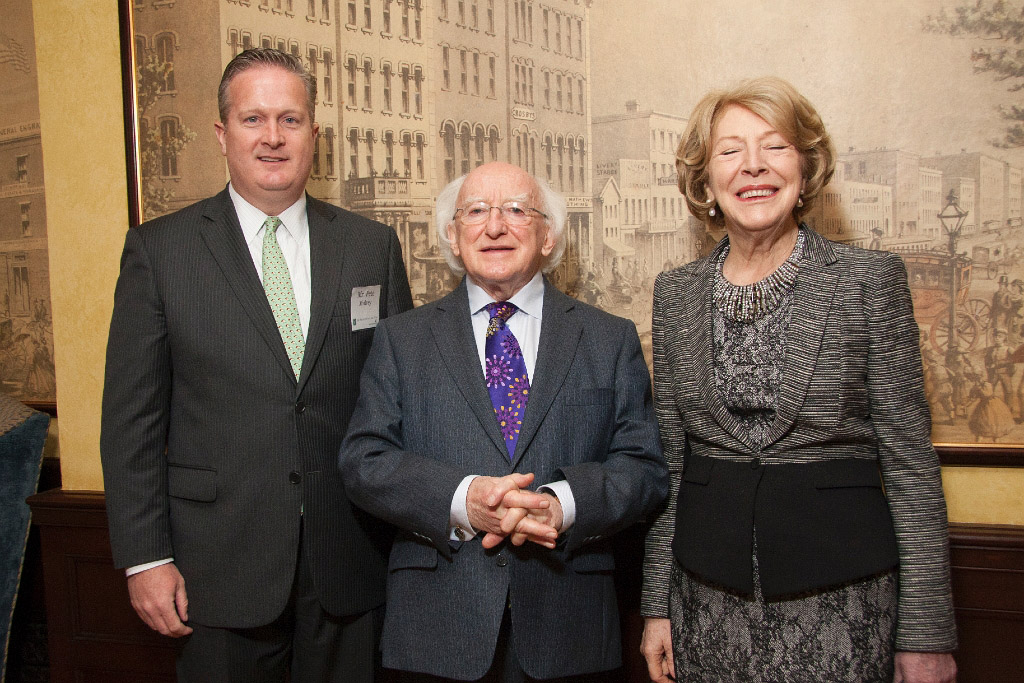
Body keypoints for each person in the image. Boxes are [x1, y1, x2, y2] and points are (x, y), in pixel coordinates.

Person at [100, 48, 412, 682]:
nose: (273, 137)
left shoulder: (370, 248)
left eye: (290, 120)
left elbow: (402, 399)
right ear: (222, 134)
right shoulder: (160, 252)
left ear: (313, 134)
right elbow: (132, 422)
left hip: (349, 562)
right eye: (253, 119)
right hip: (216, 568)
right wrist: (144, 558)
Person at [640, 77, 957, 683]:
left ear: (805, 168)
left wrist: (925, 633)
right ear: (705, 180)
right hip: (706, 606)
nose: (753, 166)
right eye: (729, 151)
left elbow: (911, 467)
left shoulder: (868, 280)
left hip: (844, 605)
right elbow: (671, 466)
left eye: (775, 146)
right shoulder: (675, 293)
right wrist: (657, 607)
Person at [339, 161, 668, 682]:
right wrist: (463, 500)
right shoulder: (401, 340)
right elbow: (364, 460)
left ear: (547, 235)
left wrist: (562, 505)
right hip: (437, 630)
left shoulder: (609, 339)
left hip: (570, 627)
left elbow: (644, 468)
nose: (494, 227)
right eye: (475, 212)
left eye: (516, 210)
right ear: (453, 236)